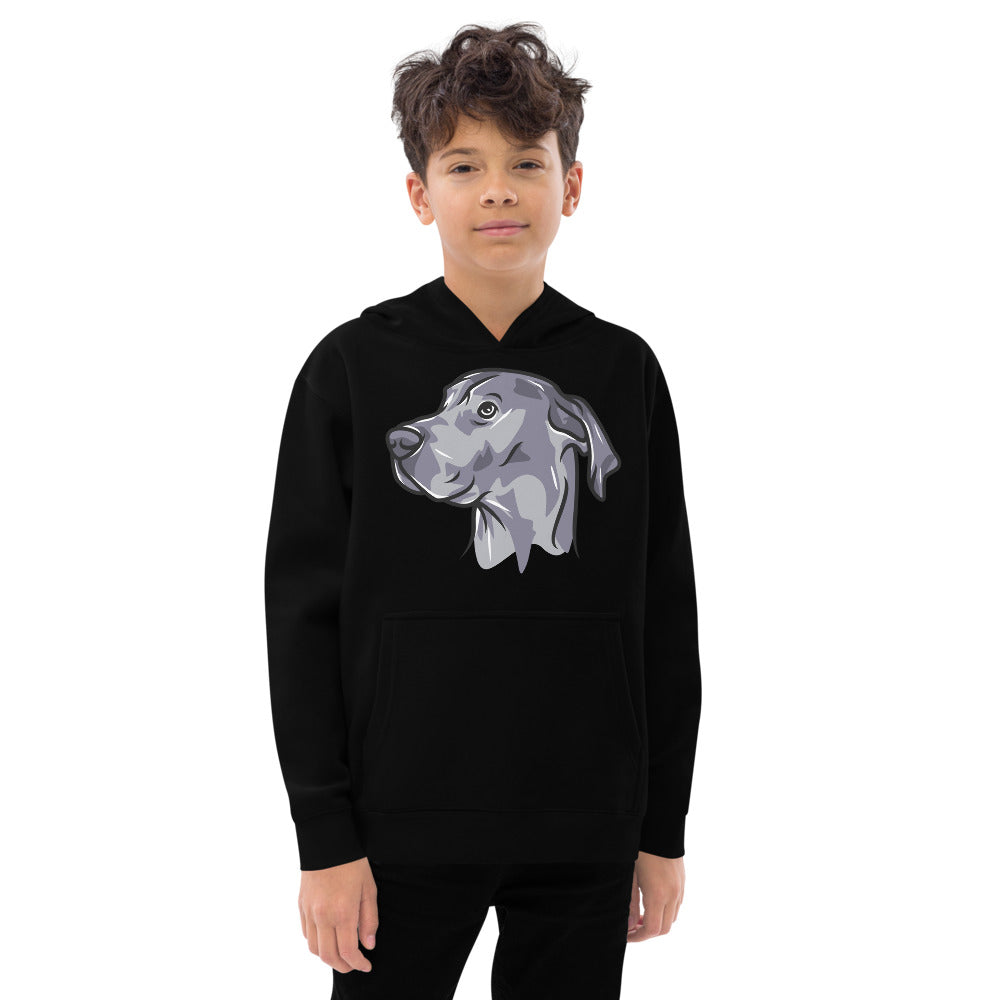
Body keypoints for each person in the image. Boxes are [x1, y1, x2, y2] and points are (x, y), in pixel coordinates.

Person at [263, 21, 703, 1000]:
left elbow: (665, 611)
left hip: (584, 828)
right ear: (421, 194)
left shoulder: (623, 371)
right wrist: (325, 837)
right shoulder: (351, 368)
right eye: (464, 165)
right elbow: (300, 619)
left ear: (570, 187)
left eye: (525, 163)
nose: (497, 189)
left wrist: (660, 827)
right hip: (398, 828)